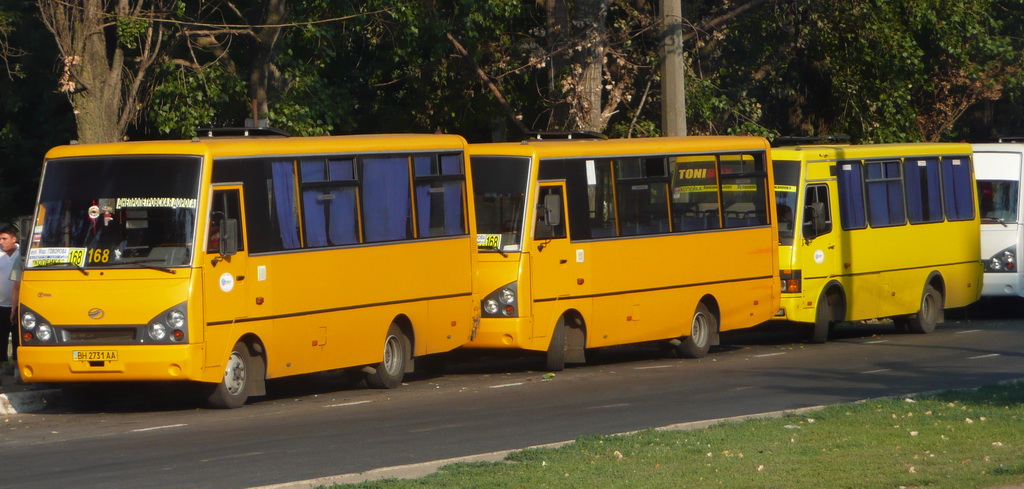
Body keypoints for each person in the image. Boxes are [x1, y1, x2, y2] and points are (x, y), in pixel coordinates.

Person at [0, 224, 22, 379]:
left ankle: (17, 371)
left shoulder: (22, 254)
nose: (1, 242)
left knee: (17, 338)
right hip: (1, 305)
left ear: (14, 239)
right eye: (0, 239)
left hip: (18, 305)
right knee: (1, 338)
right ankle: (1, 369)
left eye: (4, 238)